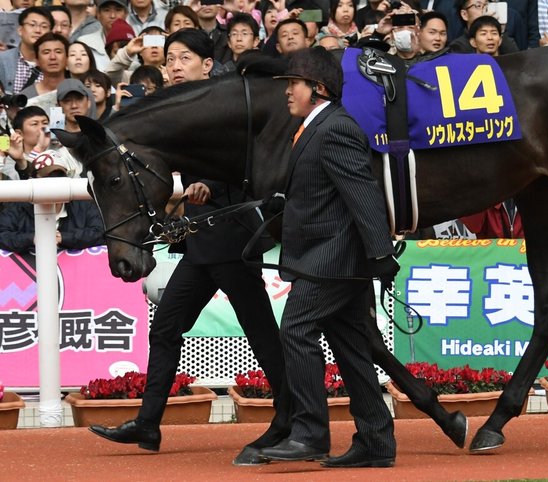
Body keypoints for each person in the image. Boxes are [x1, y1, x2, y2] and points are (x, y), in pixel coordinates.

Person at [88, 29, 292, 467]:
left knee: (257, 329)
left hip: (231, 233)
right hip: (204, 236)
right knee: (170, 329)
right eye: (171, 59)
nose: (175, 66)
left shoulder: (232, 99)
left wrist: (208, 185)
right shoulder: (182, 109)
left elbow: (248, 159)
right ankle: (148, 422)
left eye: (185, 58)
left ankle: (292, 413)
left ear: (207, 64)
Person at [260, 46, 398, 468]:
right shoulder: (313, 128)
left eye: (293, 85)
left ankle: (309, 434)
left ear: (316, 89)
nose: (287, 93)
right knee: (352, 347)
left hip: (334, 258)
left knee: (296, 329)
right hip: (327, 256)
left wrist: (380, 253)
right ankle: (376, 442)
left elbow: (363, 194)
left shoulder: (334, 128)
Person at [0, 148, 104, 253]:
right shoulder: (17, 206)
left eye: (60, 176)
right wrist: (32, 239)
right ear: (34, 180)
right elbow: (2, 235)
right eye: (49, 177)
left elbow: (100, 233)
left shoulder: (83, 206)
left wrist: (64, 238)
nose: (55, 183)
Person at [0, 7, 54, 95]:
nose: (38, 30)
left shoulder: (54, 62)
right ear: (20, 30)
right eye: (32, 25)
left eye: (44, 26)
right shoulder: (2, 60)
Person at [77, 0, 128, 70]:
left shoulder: (133, 41)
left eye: (118, 10)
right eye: (107, 10)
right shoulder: (85, 43)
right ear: (98, 15)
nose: (112, 16)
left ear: (126, 14)